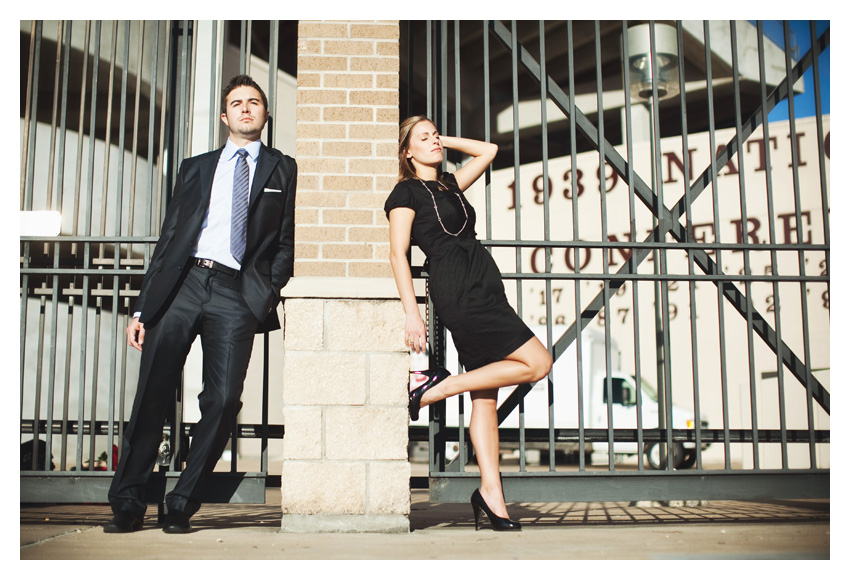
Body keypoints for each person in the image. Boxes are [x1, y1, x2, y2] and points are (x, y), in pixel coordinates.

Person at [104, 74, 297, 534]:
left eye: (254, 102)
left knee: (224, 398)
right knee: (152, 393)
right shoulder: (195, 167)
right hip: (183, 284)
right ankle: (128, 502)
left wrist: (264, 293)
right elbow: (169, 240)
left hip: (238, 293)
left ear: (266, 114)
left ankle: (182, 500)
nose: (246, 109)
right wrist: (141, 309)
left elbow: (287, 242)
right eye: (237, 103)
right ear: (225, 116)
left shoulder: (283, 168)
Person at [385, 116, 552, 531]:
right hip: (456, 288)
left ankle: (491, 497)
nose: (434, 141)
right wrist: (412, 312)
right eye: (423, 138)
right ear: (407, 151)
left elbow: (489, 151)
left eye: (435, 135)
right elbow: (397, 255)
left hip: (484, 283)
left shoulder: (450, 185)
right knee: (539, 363)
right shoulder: (405, 192)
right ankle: (434, 389)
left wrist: (443, 140)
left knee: (486, 396)